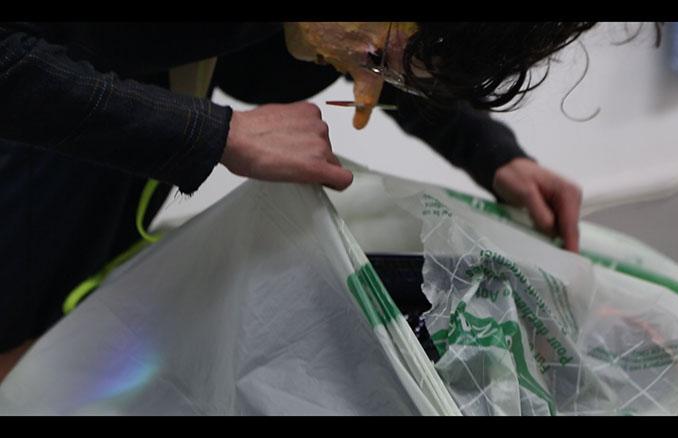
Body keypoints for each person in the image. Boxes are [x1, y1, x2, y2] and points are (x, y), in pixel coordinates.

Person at [0, 22, 592, 382]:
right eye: (375, 61)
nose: (368, 78)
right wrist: (213, 133)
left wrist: (492, 153)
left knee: (42, 339)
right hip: (38, 110)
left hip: (98, 134)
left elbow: (399, 48)